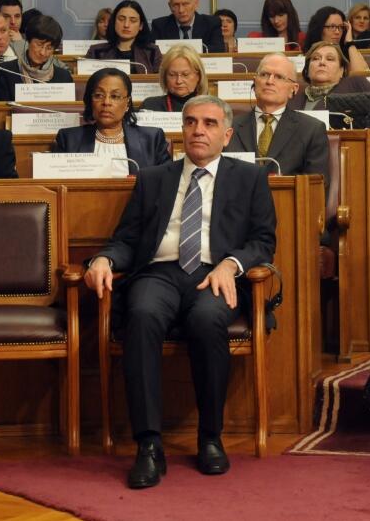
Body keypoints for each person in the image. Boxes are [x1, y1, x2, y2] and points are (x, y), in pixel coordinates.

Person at [84, 95, 276, 486]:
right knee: (141, 315)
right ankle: (149, 445)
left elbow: (262, 240)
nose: (198, 130)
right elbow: (127, 238)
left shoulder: (249, 178)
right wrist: (102, 260)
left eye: (208, 123)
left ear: (226, 134)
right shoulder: (155, 178)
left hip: (214, 273)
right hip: (159, 272)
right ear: (182, 130)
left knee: (207, 320)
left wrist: (231, 263)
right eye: (191, 122)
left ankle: (210, 437)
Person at [293, 40, 370, 299]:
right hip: (306, 173)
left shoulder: (355, 85)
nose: (321, 62)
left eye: (330, 59)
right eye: (316, 58)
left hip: (354, 170)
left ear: (342, 69)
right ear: (307, 69)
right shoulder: (294, 95)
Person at [226, 53, 329, 181]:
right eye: (264, 75)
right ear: (254, 82)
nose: (269, 81)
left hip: (287, 199)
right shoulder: (229, 126)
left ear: (294, 89)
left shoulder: (311, 129)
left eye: (279, 77)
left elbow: (316, 184)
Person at [53, 67, 170, 176]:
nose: (106, 102)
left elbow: (166, 183)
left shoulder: (152, 139)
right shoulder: (68, 139)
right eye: (99, 95)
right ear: (90, 100)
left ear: (127, 103)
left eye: (115, 96)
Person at [0, 15, 73, 100]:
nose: (42, 52)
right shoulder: (6, 71)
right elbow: (1, 110)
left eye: (49, 48)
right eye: (39, 44)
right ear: (28, 41)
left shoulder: (64, 76)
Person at [86, 0, 162, 73]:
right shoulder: (95, 51)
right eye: (121, 19)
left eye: (133, 21)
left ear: (141, 26)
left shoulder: (152, 51)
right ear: (114, 22)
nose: (126, 25)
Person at [149, 0, 225, 52]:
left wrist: (185, 50)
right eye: (176, 5)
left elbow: (219, 49)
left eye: (185, 4)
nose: (181, 10)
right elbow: (152, 52)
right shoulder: (159, 25)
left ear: (196, 3)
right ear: (170, 6)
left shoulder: (212, 23)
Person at [141, 45, 208, 112]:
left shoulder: (212, 107)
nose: (179, 81)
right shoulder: (150, 106)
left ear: (198, 76)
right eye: (172, 75)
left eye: (185, 74)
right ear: (164, 77)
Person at [302, 6, 370, 72]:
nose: (337, 32)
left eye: (340, 27)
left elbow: (362, 74)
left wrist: (349, 43)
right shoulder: (308, 56)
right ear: (319, 29)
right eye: (332, 26)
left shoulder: (348, 53)